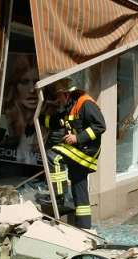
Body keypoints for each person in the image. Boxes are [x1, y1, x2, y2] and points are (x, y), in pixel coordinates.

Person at [44, 78, 106, 229]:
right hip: (79, 150)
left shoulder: (85, 104)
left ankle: (58, 197)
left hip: (87, 151)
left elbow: (100, 126)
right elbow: (55, 122)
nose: (57, 100)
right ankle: (84, 228)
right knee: (80, 189)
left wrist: (77, 138)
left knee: (53, 155)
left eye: (58, 96)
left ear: (66, 94)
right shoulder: (69, 106)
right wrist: (43, 116)